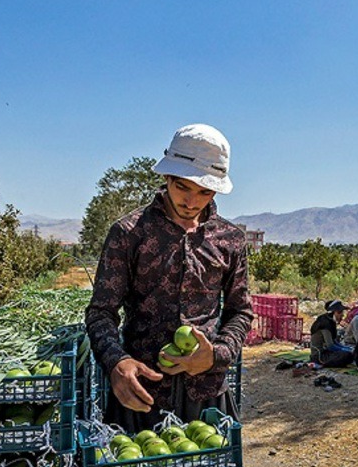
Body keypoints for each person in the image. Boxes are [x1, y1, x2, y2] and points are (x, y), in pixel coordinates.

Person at [85, 124, 253, 432]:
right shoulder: (129, 233)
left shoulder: (230, 240)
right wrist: (116, 363)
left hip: (207, 396)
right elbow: (100, 313)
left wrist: (217, 355)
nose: (192, 202)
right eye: (183, 188)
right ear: (167, 178)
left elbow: (240, 311)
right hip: (141, 395)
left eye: (204, 192)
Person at [310, 300, 354, 368]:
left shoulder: (330, 322)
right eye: (340, 312)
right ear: (333, 312)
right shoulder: (325, 324)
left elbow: (334, 341)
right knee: (347, 355)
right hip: (320, 356)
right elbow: (330, 346)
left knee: (350, 353)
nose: (342, 315)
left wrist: (347, 348)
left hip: (326, 352)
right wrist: (345, 350)